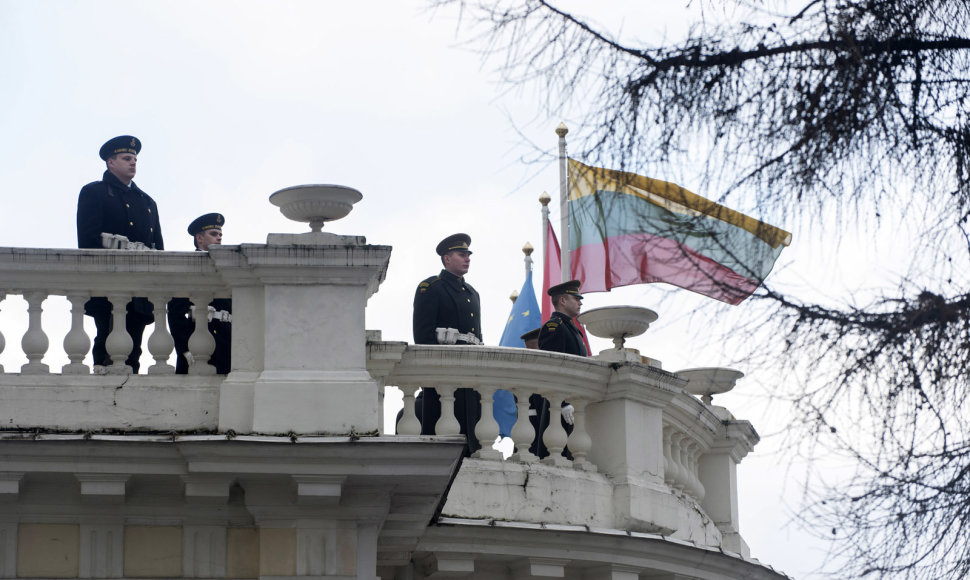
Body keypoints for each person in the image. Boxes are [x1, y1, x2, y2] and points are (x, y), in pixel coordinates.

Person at [77, 135, 164, 373]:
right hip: (107, 283)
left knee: (134, 349)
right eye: (127, 158)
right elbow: (87, 242)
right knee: (106, 341)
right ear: (110, 162)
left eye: (135, 159)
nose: (133, 163)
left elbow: (158, 249)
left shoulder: (147, 202)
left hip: (141, 288)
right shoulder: (94, 192)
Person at [412, 233, 482, 455]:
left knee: (472, 426)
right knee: (442, 428)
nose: (467, 259)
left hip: (470, 368)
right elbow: (422, 335)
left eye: (468, 255)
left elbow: (478, 336)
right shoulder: (431, 287)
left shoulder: (472, 293)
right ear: (447, 258)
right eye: (462, 255)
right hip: (443, 370)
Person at [168, 213, 232, 374]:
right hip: (195, 347)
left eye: (220, 235)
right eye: (213, 234)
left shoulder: (226, 270)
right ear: (199, 238)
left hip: (225, 348)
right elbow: (175, 315)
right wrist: (184, 350)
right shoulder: (187, 269)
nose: (219, 238)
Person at [536, 280, 588, 459]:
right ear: (563, 301)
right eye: (576, 298)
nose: (580, 302)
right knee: (558, 454)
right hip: (559, 404)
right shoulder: (555, 327)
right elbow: (552, 368)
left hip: (575, 399)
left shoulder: (572, 329)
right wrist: (563, 402)